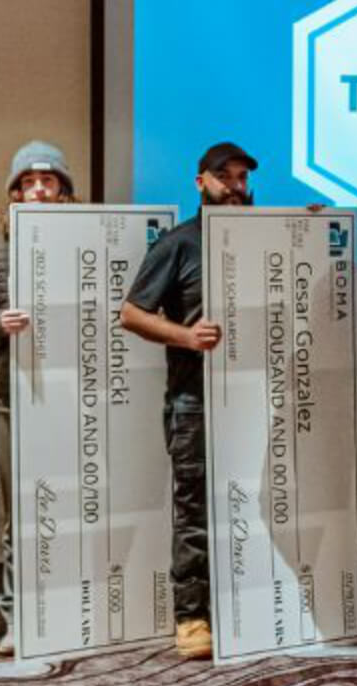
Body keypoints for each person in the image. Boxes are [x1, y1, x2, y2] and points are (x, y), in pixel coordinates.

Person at [118, 141, 258, 659]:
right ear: (201, 182)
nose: (237, 187)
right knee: (195, 508)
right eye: (226, 177)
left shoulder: (263, 238)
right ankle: (192, 618)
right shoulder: (179, 243)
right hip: (194, 400)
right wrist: (186, 337)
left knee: (258, 502)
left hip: (254, 402)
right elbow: (131, 313)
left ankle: (251, 605)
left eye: (243, 179)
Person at [0, 140, 78, 654]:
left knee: (76, 505)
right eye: (27, 183)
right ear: (14, 193)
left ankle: (73, 609)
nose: (37, 191)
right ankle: (17, 617)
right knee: (20, 512)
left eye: (47, 182)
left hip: (74, 399)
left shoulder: (86, 244)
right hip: (8, 393)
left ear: (63, 192)